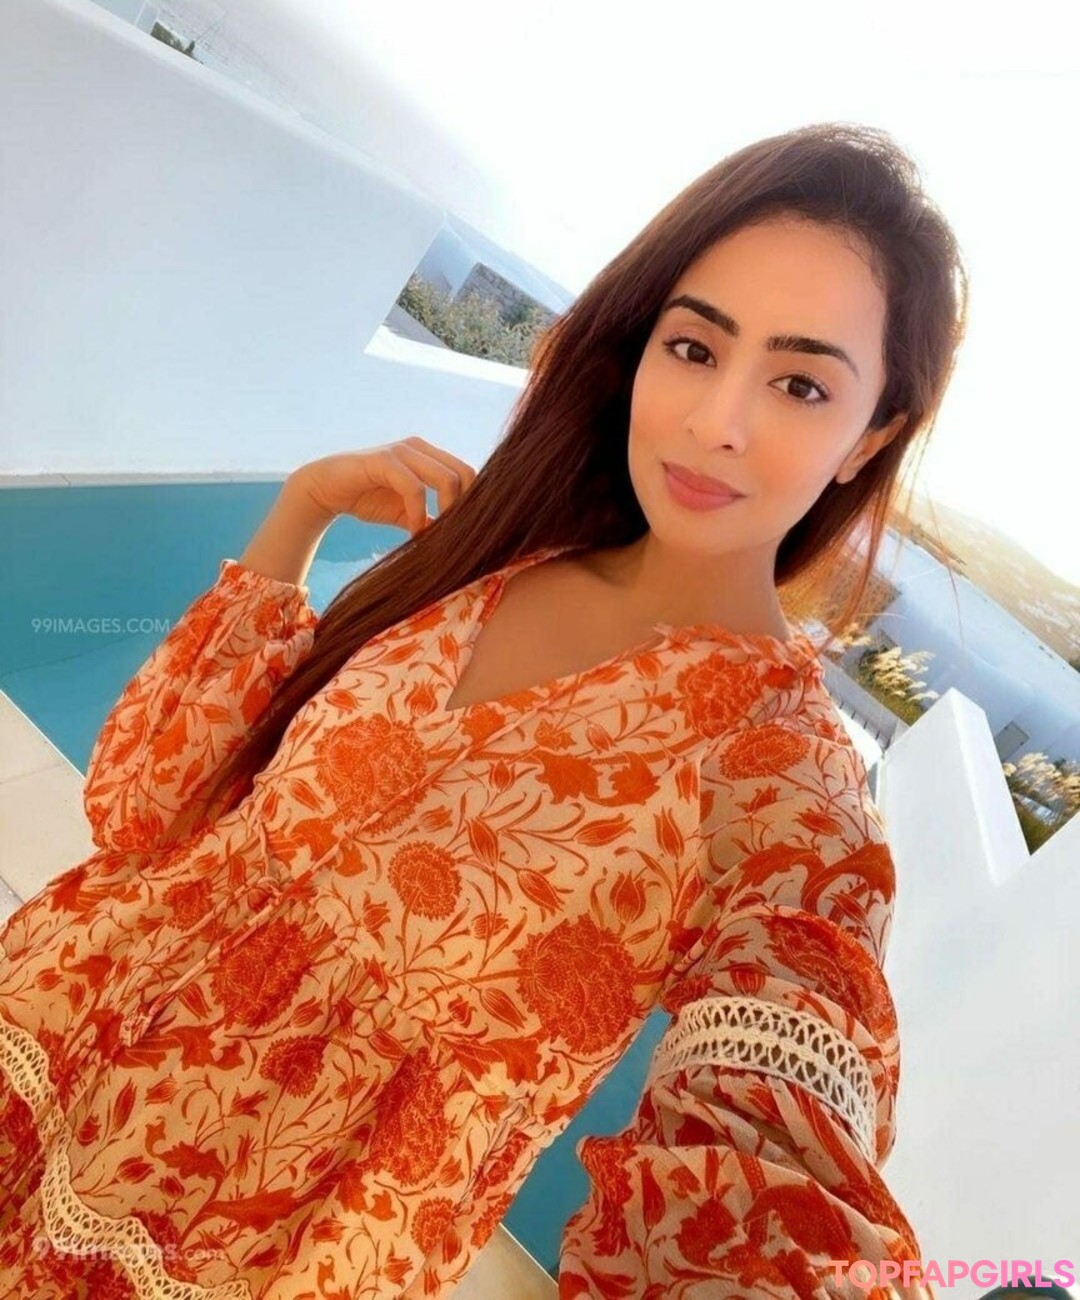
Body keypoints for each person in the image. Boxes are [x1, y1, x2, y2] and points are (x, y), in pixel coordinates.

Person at [0, 120, 967, 1298]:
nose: (719, 419)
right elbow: (150, 804)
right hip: (43, 1036)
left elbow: (775, 1166)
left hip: (229, 1250)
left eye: (801, 384)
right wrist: (300, 510)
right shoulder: (501, 551)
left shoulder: (782, 783)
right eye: (694, 346)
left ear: (871, 437)